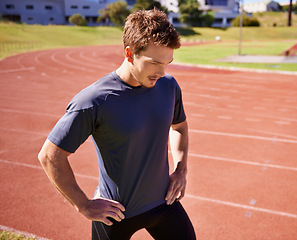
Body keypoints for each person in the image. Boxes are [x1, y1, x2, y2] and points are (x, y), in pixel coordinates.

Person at [38, 9, 196, 240]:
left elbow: (179, 127)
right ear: (130, 54)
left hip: (164, 203)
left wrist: (181, 170)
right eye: (154, 63)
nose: (162, 72)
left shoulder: (169, 86)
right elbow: (50, 156)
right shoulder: (94, 101)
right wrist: (83, 205)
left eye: (168, 63)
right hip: (116, 214)